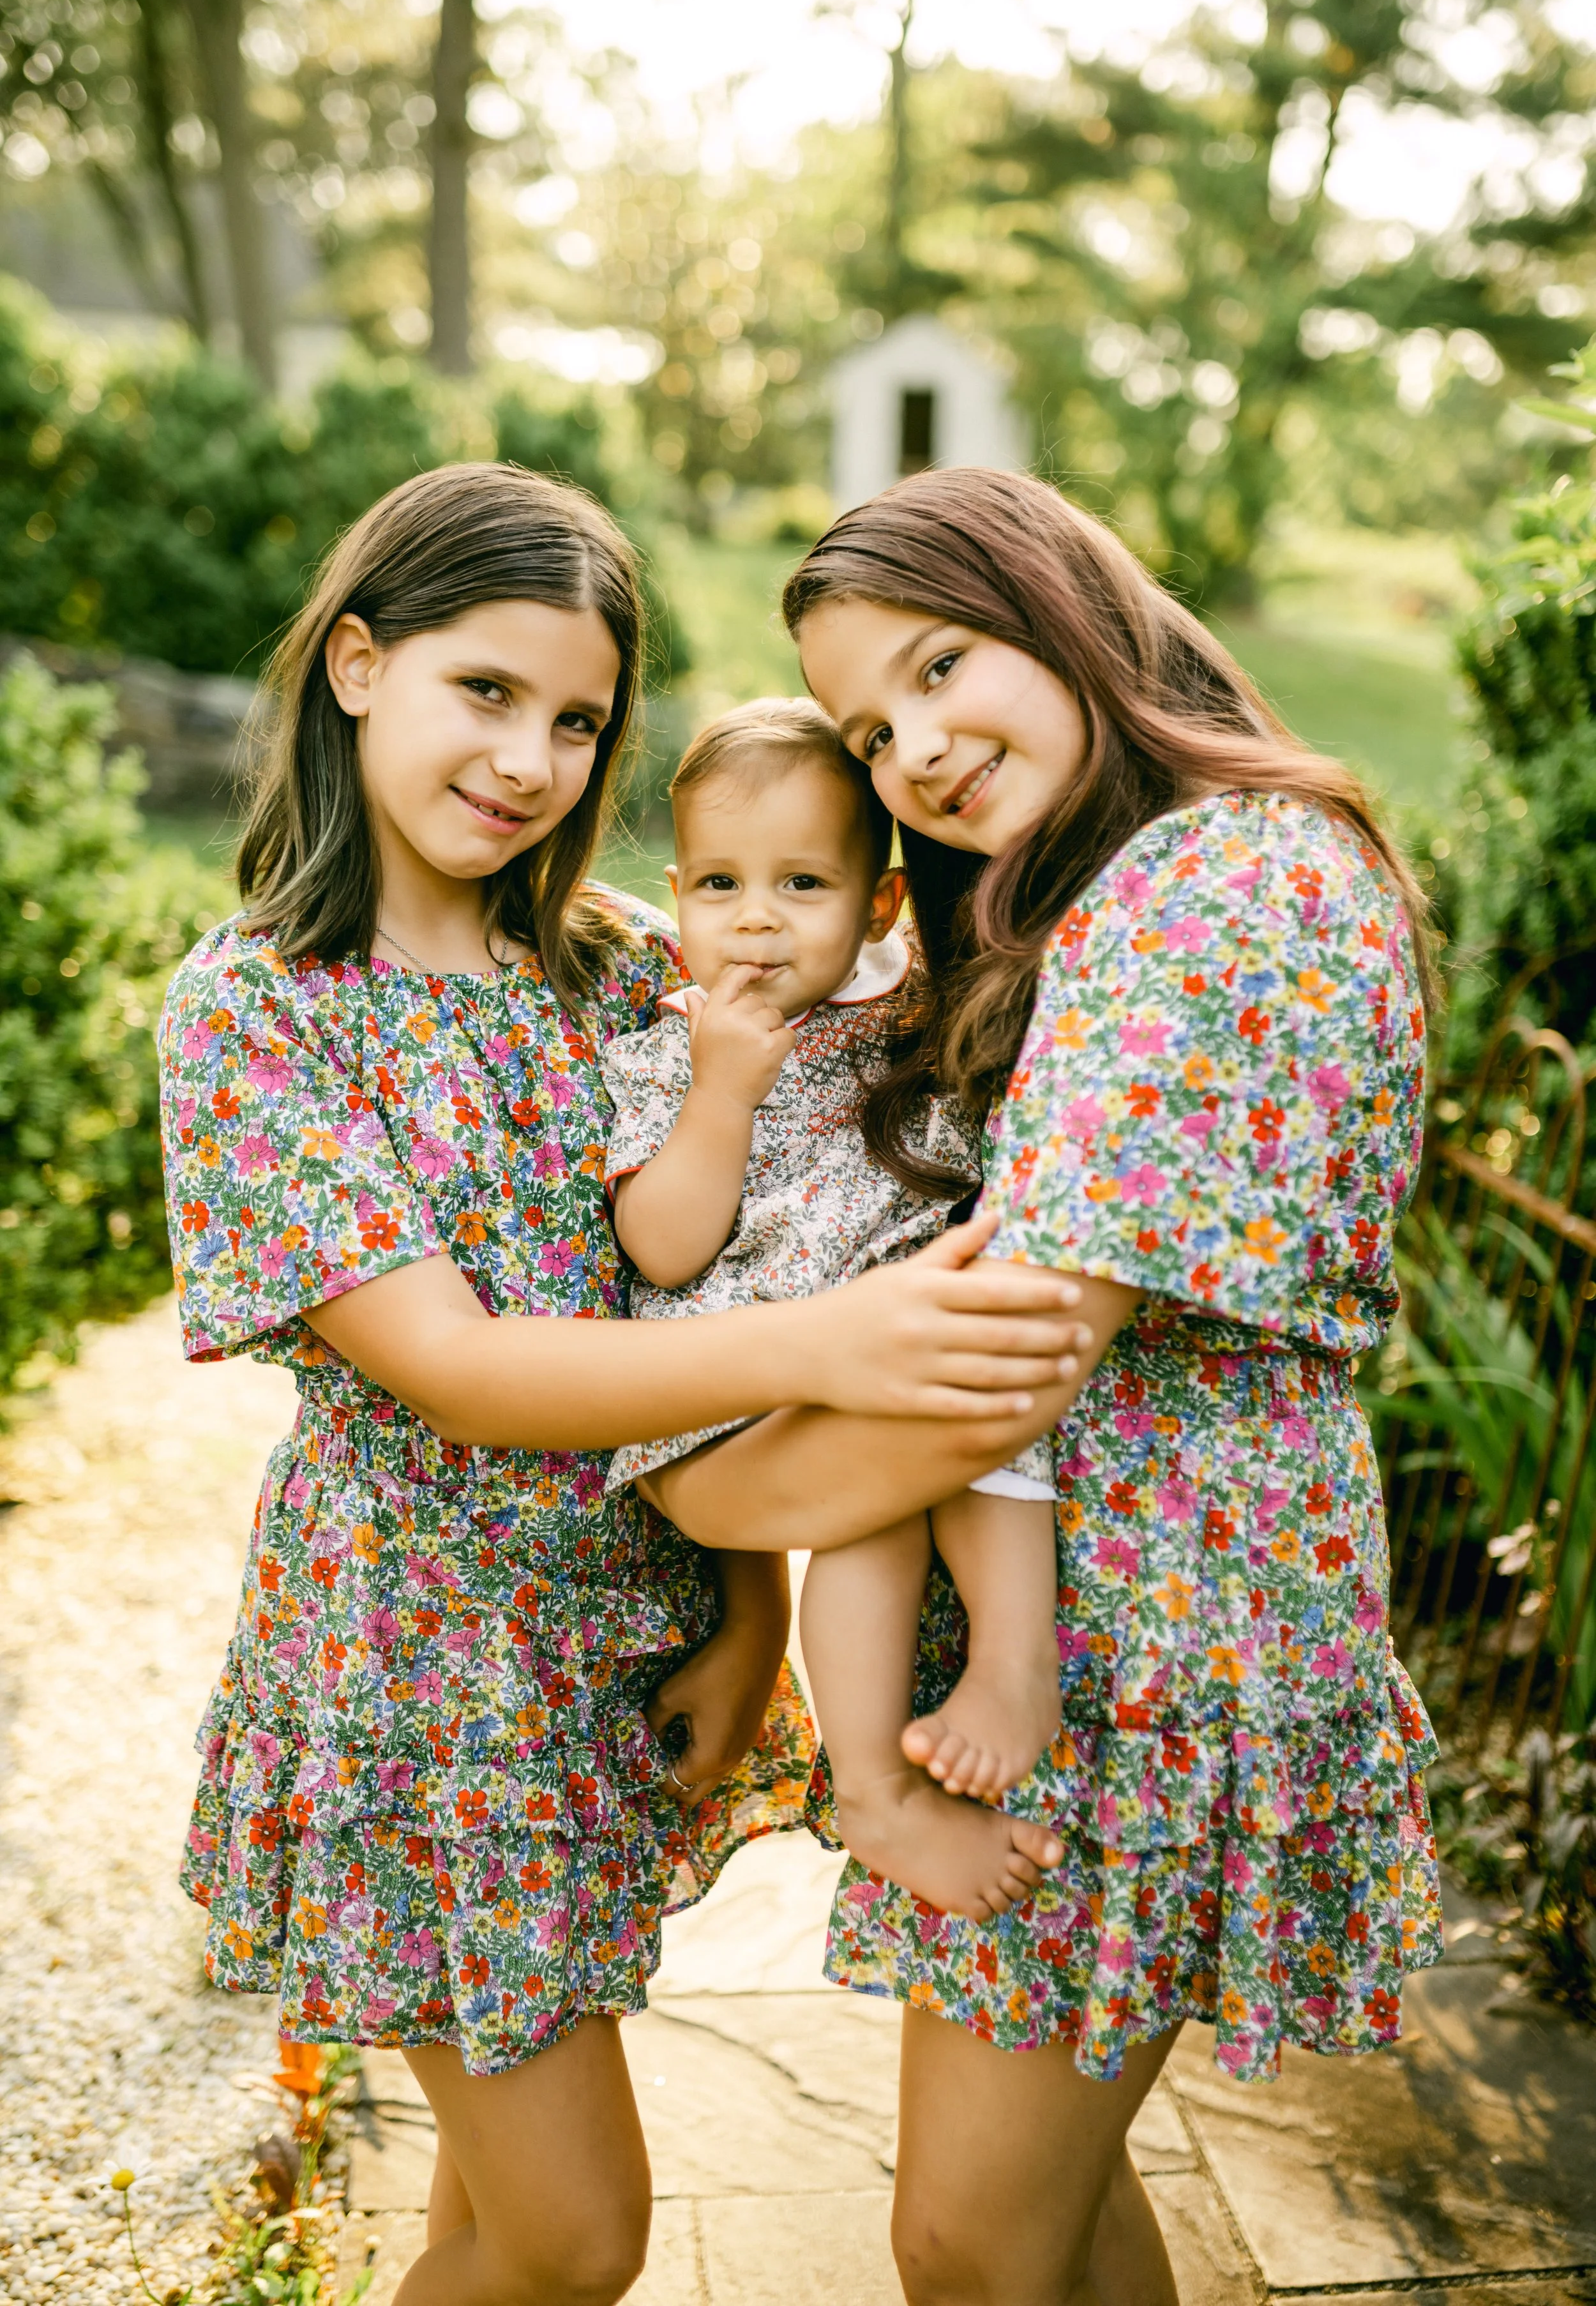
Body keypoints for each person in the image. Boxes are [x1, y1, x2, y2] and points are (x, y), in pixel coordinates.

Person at [156, 461, 1097, 2306]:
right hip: (425, 1676)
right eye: (484, 691)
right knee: (578, 2235)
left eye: (578, 719)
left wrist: (744, 1605)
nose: (530, 759)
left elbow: (707, 1262)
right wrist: (834, 1349)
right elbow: (464, 1368)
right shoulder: (259, 1007)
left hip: (606, 1648)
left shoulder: (598, 973)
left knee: (494, 2214)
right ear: (355, 665)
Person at [636, 466, 1446, 2306]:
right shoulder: (1104, 888)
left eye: (939, 665)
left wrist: (697, 1489)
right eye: (871, 722)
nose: (913, 746)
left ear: (1061, 599)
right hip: (1104, 1617)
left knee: (972, 2237)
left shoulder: (1221, 877)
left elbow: (1001, 1364)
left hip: (1147, 1638)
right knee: (1047, 2221)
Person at [601, 697, 1065, 1924]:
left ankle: (1016, 1666)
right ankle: (872, 1789)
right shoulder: (672, 1046)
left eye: (802, 881)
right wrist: (722, 1095)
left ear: (880, 906)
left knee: (976, 1432)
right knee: (883, 1509)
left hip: (896, 1355)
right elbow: (659, 1245)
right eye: (717, 882)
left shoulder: (919, 1012)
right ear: (677, 889)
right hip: (729, 1408)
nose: (754, 918)